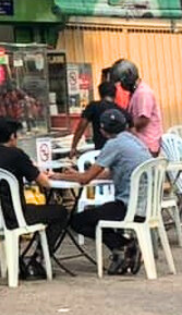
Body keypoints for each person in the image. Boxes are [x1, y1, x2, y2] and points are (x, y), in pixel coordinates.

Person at [0, 117, 66, 278]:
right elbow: (45, 183)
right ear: (13, 136)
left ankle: (21, 260)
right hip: (13, 216)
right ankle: (39, 259)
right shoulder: (16, 155)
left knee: (35, 211)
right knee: (60, 212)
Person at [64, 108, 152, 275]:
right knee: (98, 215)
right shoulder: (135, 141)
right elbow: (111, 173)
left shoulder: (114, 144)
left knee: (78, 221)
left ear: (102, 130)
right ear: (125, 125)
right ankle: (124, 247)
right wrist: (79, 175)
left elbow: (85, 180)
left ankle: (122, 246)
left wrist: (57, 176)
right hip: (146, 205)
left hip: (129, 207)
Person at [112, 59, 162, 156]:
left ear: (127, 79)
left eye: (121, 82)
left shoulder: (143, 93)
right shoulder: (135, 93)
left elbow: (143, 119)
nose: (121, 86)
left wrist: (123, 128)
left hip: (146, 144)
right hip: (139, 143)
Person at [70, 82, 121, 156]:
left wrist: (74, 146)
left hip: (100, 149)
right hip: (118, 150)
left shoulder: (93, 106)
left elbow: (82, 126)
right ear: (115, 94)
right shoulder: (120, 110)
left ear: (100, 93)